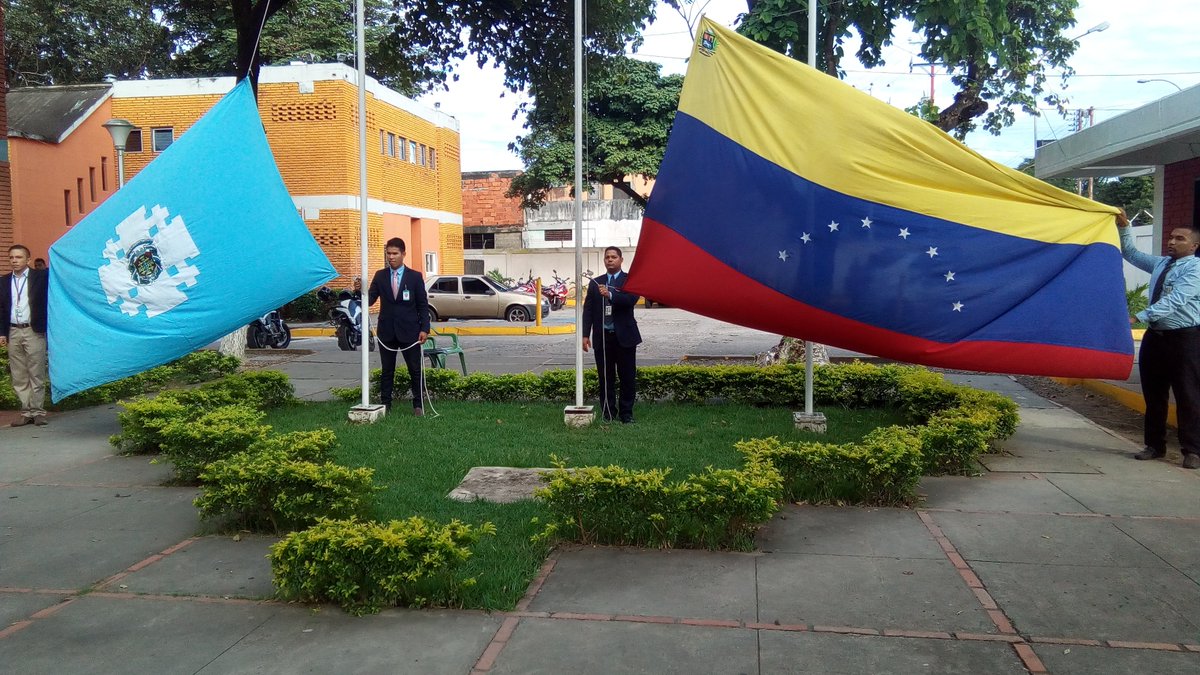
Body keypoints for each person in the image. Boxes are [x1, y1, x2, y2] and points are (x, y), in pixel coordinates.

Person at [1116, 210, 1200, 469]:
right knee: (1154, 395)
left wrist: (1138, 316)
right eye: (1172, 237)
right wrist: (1124, 226)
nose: (1172, 242)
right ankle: (1155, 445)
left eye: (1180, 239)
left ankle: (1192, 450)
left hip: (1184, 340)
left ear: (1194, 245)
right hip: (1155, 339)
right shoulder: (1161, 264)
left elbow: (1176, 301)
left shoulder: (1196, 270)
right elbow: (1130, 253)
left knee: (1188, 395)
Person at [367, 238, 429, 415]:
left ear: (403, 254)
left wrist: (424, 328)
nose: (391, 257)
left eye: (395, 254)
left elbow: (422, 305)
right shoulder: (380, 275)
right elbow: (370, 300)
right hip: (387, 331)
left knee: (415, 369)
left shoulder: (414, 277)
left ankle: (418, 405)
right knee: (387, 370)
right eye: (388, 253)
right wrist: (360, 290)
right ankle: (386, 404)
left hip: (410, 331)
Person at [582, 246, 642, 423]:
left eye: (614, 257)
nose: (610, 260)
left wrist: (610, 294)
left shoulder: (629, 280)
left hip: (624, 337)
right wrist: (585, 334)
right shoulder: (595, 282)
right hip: (603, 338)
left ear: (621, 260)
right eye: (607, 257)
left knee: (627, 377)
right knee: (606, 377)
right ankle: (608, 412)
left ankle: (626, 414)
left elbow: (631, 300)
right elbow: (589, 310)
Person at [2, 245, 49, 426]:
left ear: (28, 260)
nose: (15, 260)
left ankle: (38, 411)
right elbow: (1, 308)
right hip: (13, 330)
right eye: (12, 257)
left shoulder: (40, 277)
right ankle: (26, 411)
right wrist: (1, 333)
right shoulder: (4, 281)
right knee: (19, 374)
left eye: (19, 257)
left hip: (33, 329)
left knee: (36, 372)